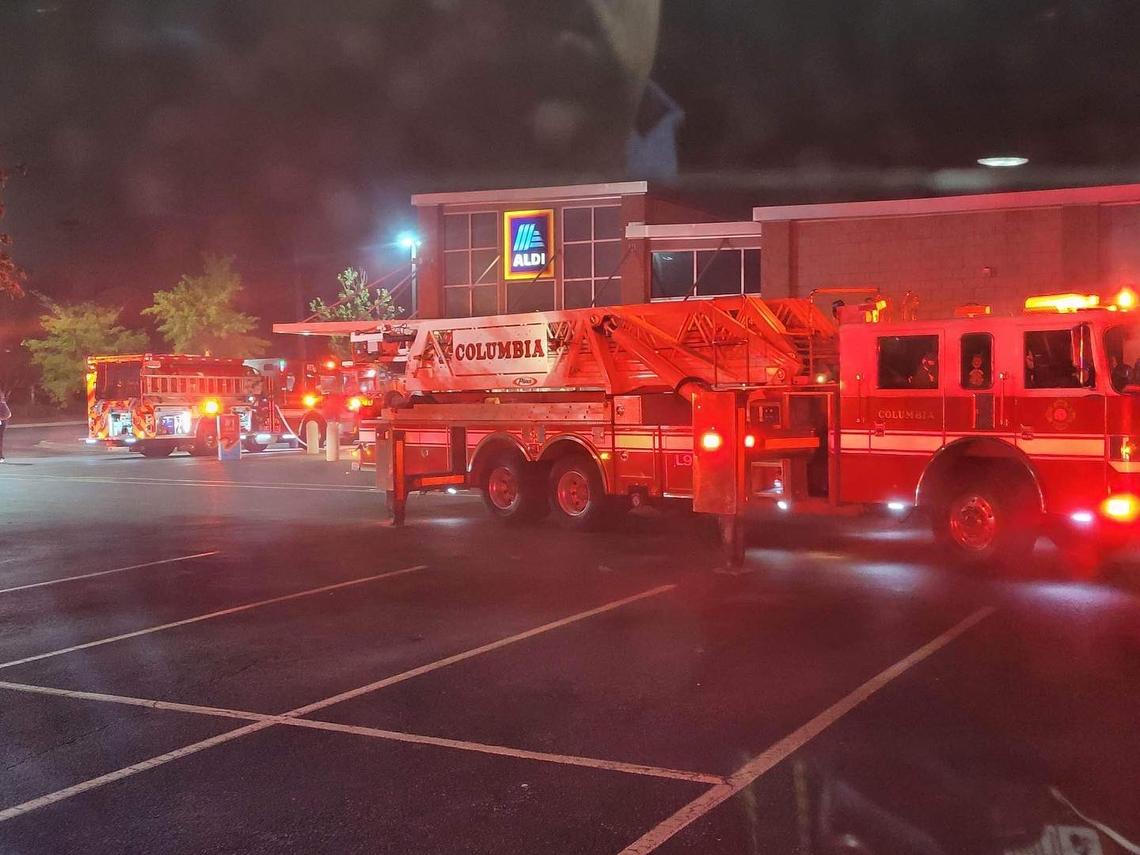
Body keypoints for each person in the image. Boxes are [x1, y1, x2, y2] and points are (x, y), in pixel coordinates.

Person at [0, 390, 10, 463]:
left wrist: (1, 418)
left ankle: (1, 456)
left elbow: (8, 414)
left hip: (1, 424)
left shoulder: (2, 404)